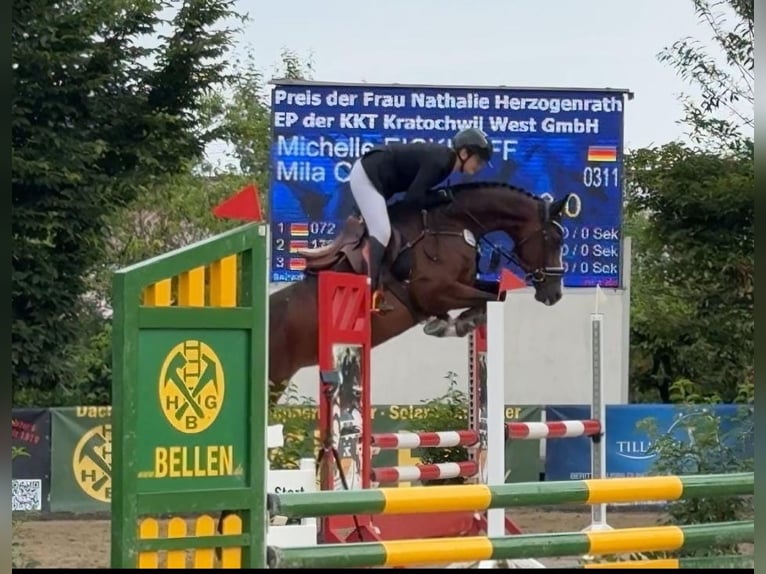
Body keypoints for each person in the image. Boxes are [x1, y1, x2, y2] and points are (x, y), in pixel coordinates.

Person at [348, 127, 494, 313]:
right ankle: (371, 292)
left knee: (388, 229)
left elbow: (415, 198)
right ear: (464, 152)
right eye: (479, 160)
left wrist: (439, 196)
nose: (479, 166)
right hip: (368, 175)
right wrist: (439, 197)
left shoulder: (445, 162)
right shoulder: (441, 161)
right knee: (382, 231)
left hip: (378, 179)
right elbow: (413, 199)